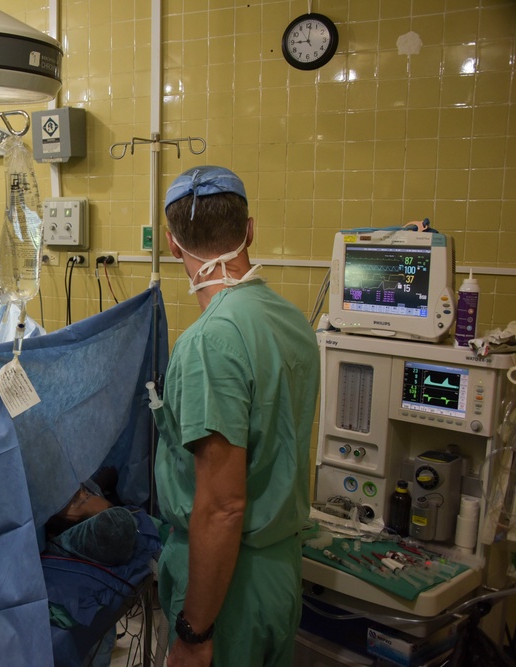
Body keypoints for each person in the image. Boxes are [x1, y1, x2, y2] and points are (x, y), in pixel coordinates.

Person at [153, 166, 320, 667]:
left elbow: (222, 508)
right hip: (278, 575)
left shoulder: (211, 342)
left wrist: (193, 632)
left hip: (225, 588)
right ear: (250, 229)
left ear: (172, 243)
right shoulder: (290, 319)